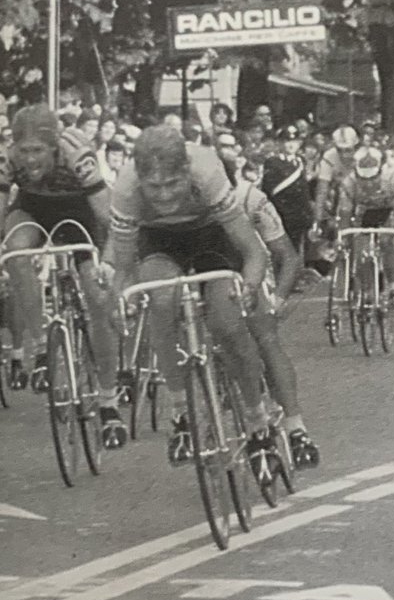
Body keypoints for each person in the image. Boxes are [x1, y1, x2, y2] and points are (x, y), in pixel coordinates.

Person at [108, 125, 273, 463]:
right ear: (140, 180)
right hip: (159, 242)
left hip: (212, 236)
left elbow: (253, 251)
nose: (164, 196)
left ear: (186, 171)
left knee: (227, 324)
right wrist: (123, 303)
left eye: (173, 183)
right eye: (154, 187)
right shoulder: (126, 188)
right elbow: (124, 271)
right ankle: (181, 412)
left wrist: (249, 286)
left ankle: (258, 419)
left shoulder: (207, 169)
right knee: (160, 298)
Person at [0, 105, 125, 446]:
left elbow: (109, 217)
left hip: (81, 214)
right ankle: (42, 348)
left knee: (97, 301)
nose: (30, 160)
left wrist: (108, 263)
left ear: (54, 146)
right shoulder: (7, 158)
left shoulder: (77, 154)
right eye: (24, 151)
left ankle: (108, 401)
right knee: (15, 250)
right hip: (33, 210)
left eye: (38, 150)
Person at [216, 137, 319, 467]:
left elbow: (287, 256)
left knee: (266, 338)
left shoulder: (251, 199)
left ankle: (296, 427)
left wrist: (277, 299)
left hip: (251, 270)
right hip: (210, 273)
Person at [335, 145, 394, 308]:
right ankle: (366, 290)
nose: (368, 184)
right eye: (364, 179)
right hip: (362, 217)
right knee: (360, 248)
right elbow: (345, 215)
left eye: (373, 178)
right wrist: (343, 238)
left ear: (380, 171)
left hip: (387, 215)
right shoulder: (349, 183)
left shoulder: (393, 180)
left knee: (388, 243)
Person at [261, 125, 313, 257]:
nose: (290, 145)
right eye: (286, 141)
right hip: (282, 214)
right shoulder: (273, 162)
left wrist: (308, 214)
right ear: (279, 143)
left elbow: (303, 191)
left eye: (294, 141)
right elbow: (269, 191)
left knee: (297, 252)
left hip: (299, 216)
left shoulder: (300, 162)